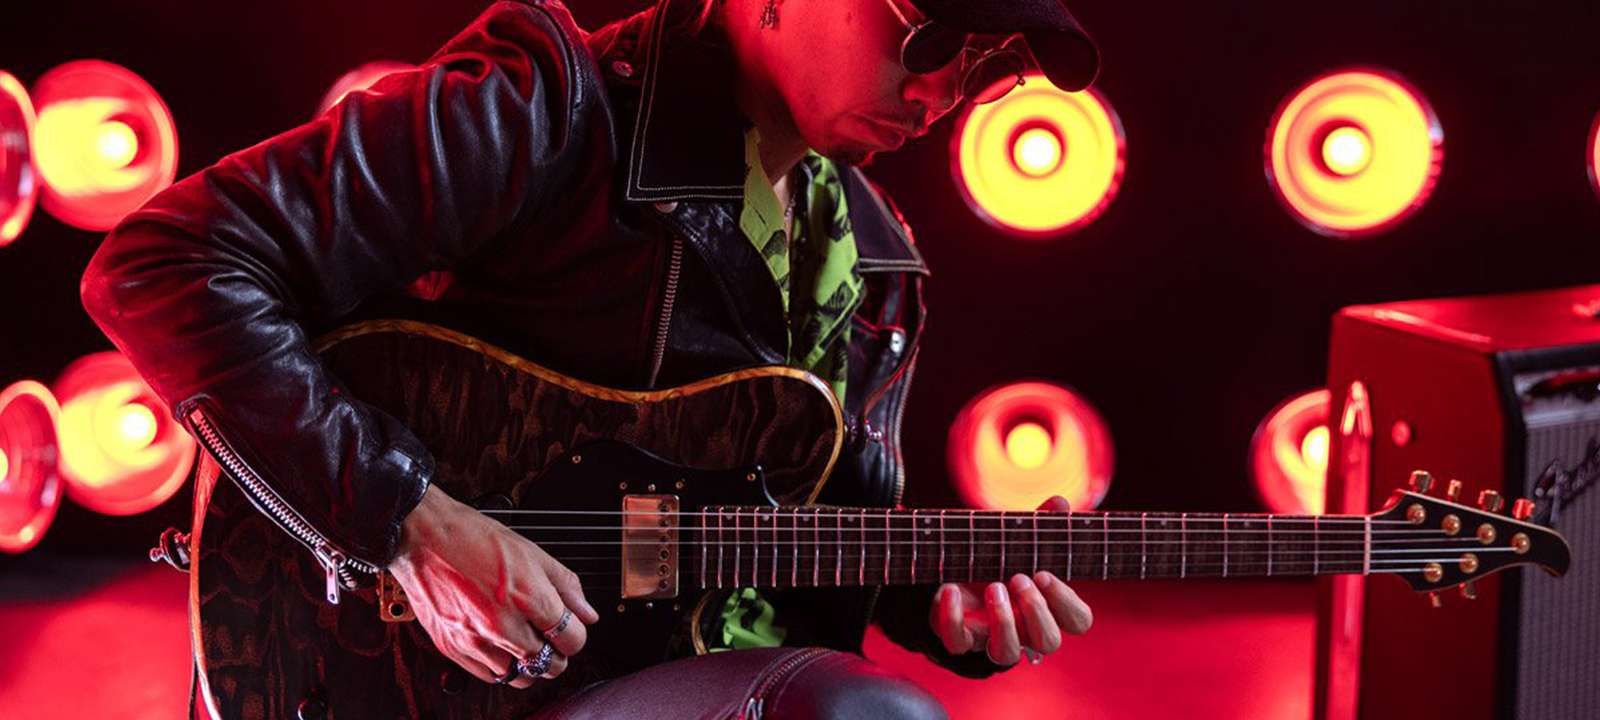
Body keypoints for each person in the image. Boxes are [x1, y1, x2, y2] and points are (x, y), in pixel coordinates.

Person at [80, 0, 1101, 716]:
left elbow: (763, 546)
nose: (941, 88)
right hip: (412, 679)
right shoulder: (547, 109)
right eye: (923, 33)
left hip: (682, 680)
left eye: (985, 61)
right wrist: (405, 525)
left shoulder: (880, 268)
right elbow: (165, 263)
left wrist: (932, 603)